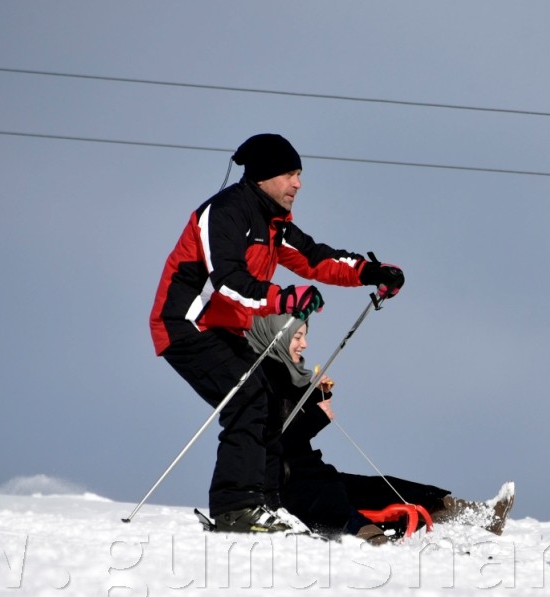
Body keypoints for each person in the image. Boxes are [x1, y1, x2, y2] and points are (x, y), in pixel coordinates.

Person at [149, 133, 405, 534]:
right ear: (264, 176)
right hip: (185, 324)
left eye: (299, 174)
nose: (298, 184)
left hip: (225, 328)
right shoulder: (225, 212)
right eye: (290, 174)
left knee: (269, 398)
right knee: (247, 398)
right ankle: (236, 508)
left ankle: (266, 503)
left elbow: (315, 258)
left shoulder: (274, 223)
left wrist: (369, 272)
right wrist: (284, 298)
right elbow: (227, 280)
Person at [245, 313, 515, 544]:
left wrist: (317, 395)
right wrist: (316, 416)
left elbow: (294, 424)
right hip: (286, 486)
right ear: (277, 336)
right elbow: (272, 442)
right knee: (336, 502)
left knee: (386, 487)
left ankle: (484, 515)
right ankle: (373, 542)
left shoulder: (288, 375)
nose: (304, 344)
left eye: (304, 336)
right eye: (297, 337)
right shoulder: (258, 381)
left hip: (315, 473)